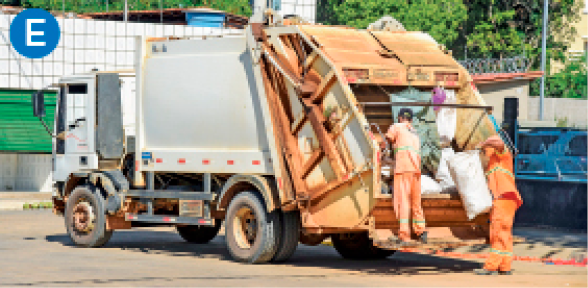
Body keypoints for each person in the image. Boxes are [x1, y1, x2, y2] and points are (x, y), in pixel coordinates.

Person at [474, 135, 523, 275]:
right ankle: (505, 266)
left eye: (486, 151)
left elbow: (499, 142)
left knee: (497, 232)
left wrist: (483, 143)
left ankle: (491, 266)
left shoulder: (502, 154)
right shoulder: (493, 163)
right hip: (508, 199)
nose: (484, 153)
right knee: (505, 234)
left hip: (503, 198)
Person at [382, 108, 427, 244]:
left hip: (403, 169)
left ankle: (404, 235)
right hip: (416, 171)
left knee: (403, 202)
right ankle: (421, 231)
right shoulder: (414, 132)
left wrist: (381, 150)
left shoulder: (396, 126)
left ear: (400, 117)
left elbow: (386, 140)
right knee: (416, 202)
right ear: (411, 120)